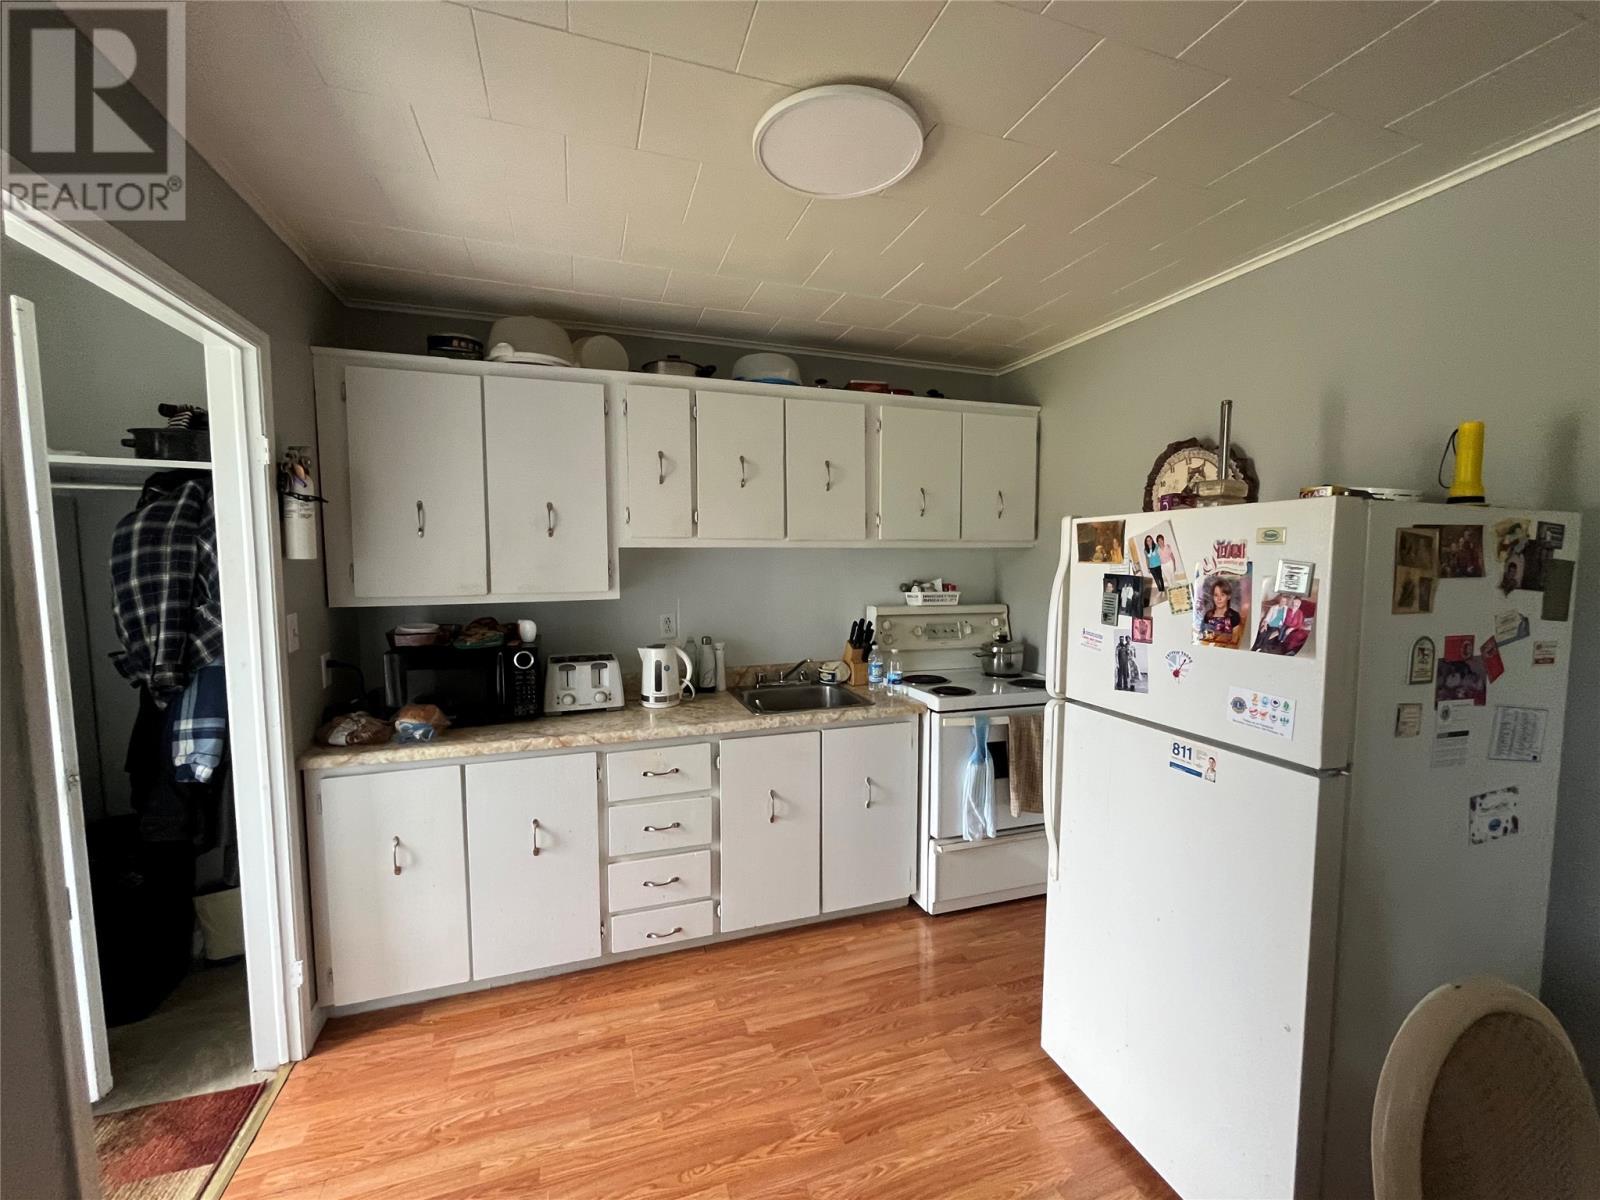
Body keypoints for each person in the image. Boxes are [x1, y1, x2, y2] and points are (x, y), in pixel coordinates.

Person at [1199, 576, 1242, 646]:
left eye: (1222, 595)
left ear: (1228, 596)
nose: (1219, 599)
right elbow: (1203, 639)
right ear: (1213, 597)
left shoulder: (1234, 616)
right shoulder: (1208, 615)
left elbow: (1235, 641)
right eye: (1216, 595)